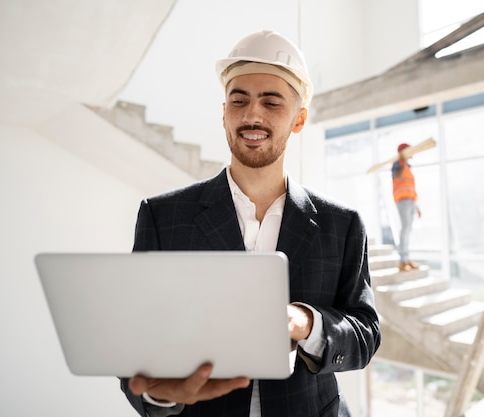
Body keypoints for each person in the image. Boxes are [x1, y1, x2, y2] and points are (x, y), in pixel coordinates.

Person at [119, 30, 381, 417]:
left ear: (299, 119)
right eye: (238, 101)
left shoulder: (340, 225)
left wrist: (304, 322)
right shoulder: (163, 216)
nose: (252, 115)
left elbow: (364, 333)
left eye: (271, 102)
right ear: (224, 114)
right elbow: (136, 337)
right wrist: (161, 395)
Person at [391, 143, 422, 272]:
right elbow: (398, 176)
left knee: (408, 230)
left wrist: (417, 206)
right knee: (405, 229)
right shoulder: (397, 165)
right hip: (402, 200)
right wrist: (403, 162)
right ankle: (402, 260)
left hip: (410, 201)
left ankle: (407, 258)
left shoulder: (408, 167)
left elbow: (410, 187)